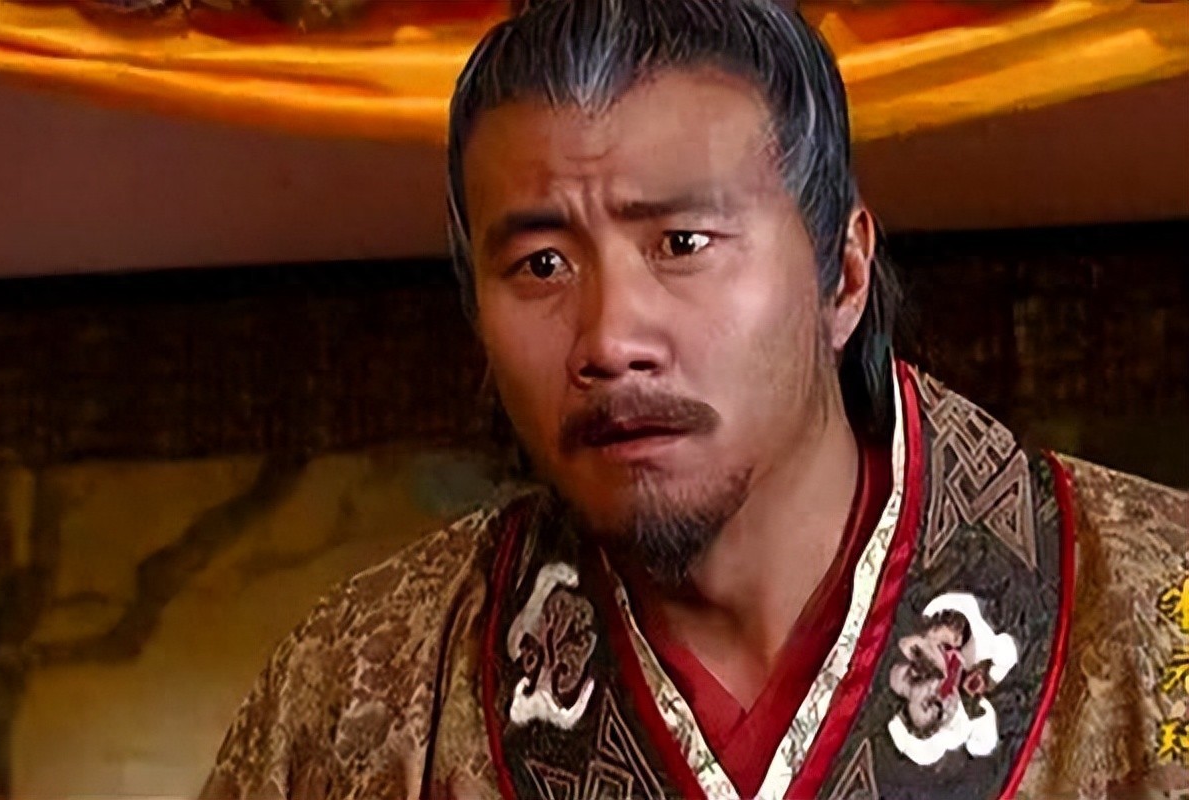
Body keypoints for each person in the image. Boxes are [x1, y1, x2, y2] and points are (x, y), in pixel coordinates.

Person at [200, 1, 1189, 797]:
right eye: (540, 264)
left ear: (842, 276)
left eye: (682, 243)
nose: (609, 340)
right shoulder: (354, 696)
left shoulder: (1159, 612)